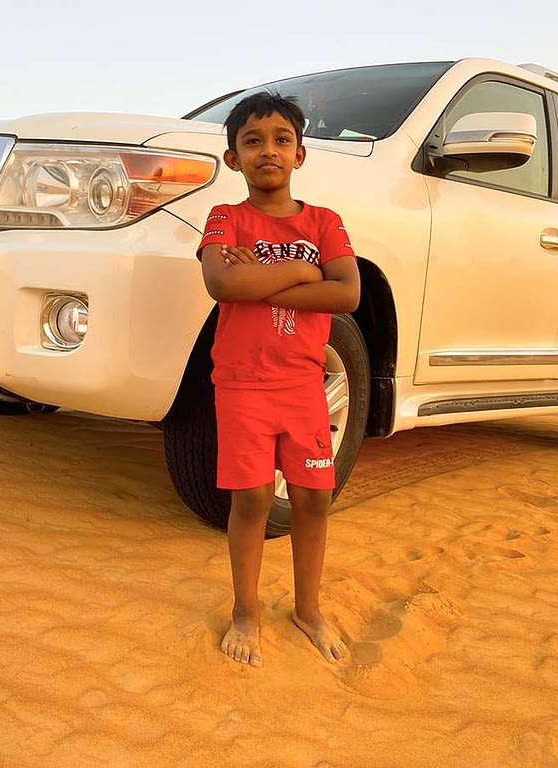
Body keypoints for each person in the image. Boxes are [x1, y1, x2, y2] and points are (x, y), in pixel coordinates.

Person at [196, 92, 361, 667]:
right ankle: (246, 610)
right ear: (234, 157)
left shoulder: (325, 221)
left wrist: (259, 274)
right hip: (242, 384)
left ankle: (307, 608)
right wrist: (300, 268)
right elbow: (222, 285)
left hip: (303, 386)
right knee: (254, 497)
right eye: (253, 141)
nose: (269, 150)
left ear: (301, 154)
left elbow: (348, 291)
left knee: (315, 497)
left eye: (281, 140)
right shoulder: (225, 219)